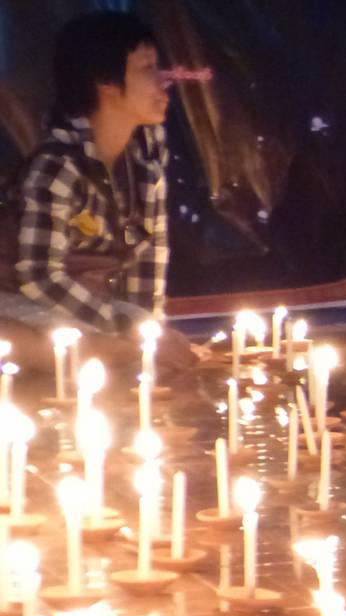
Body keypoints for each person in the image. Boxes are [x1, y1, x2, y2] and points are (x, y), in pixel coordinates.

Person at [0, 12, 191, 375]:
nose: (163, 81)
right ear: (105, 82)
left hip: (82, 310)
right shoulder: (58, 168)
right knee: (73, 348)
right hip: (16, 302)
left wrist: (149, 330)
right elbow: (40, 278)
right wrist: (126, 329)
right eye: (148, 69)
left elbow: (150, 254)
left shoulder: (146, 161)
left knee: (143, 349)